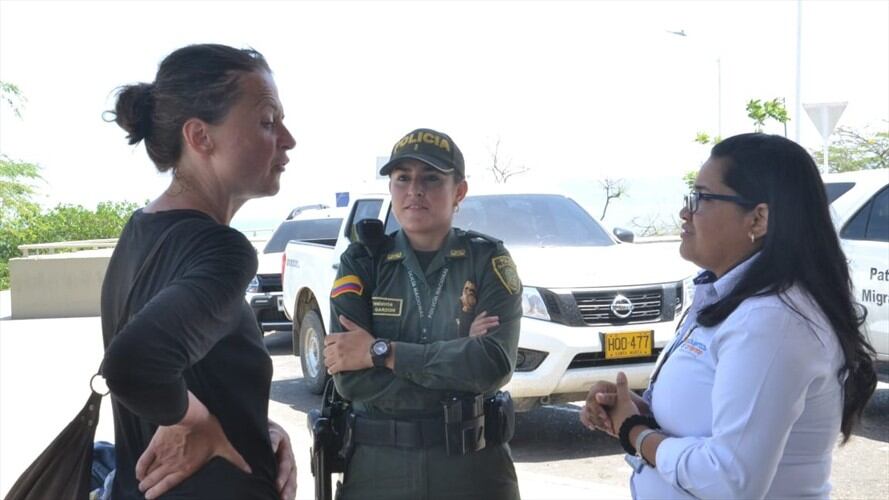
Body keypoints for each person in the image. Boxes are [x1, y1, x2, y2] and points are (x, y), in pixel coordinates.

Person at [581, 132, 877, 499]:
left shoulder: (771, 320)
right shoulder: (731, 298)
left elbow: (729, 481)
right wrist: (633, 411)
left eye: (702, 198)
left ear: (758, 218)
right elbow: (706, 418)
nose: (685, 212)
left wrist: (636, 433)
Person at [100, 44, 297, 500]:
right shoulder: (223, 249)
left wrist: (252, 422)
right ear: (201, 137)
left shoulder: (140, 231)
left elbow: (195, 372)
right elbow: (134, 365)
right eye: (267, 121)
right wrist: (198, 424)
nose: (287, 139)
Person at [322, 128, 522, 500]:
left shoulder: (487, 260)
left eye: (431, 178)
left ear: (458, 191)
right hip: (379, 470)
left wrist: (381, 353)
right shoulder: (363, 261)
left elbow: (493, 364)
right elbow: (349, 380)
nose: (415, 189)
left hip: (473, 471)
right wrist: (458, 353)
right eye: (402, 178)